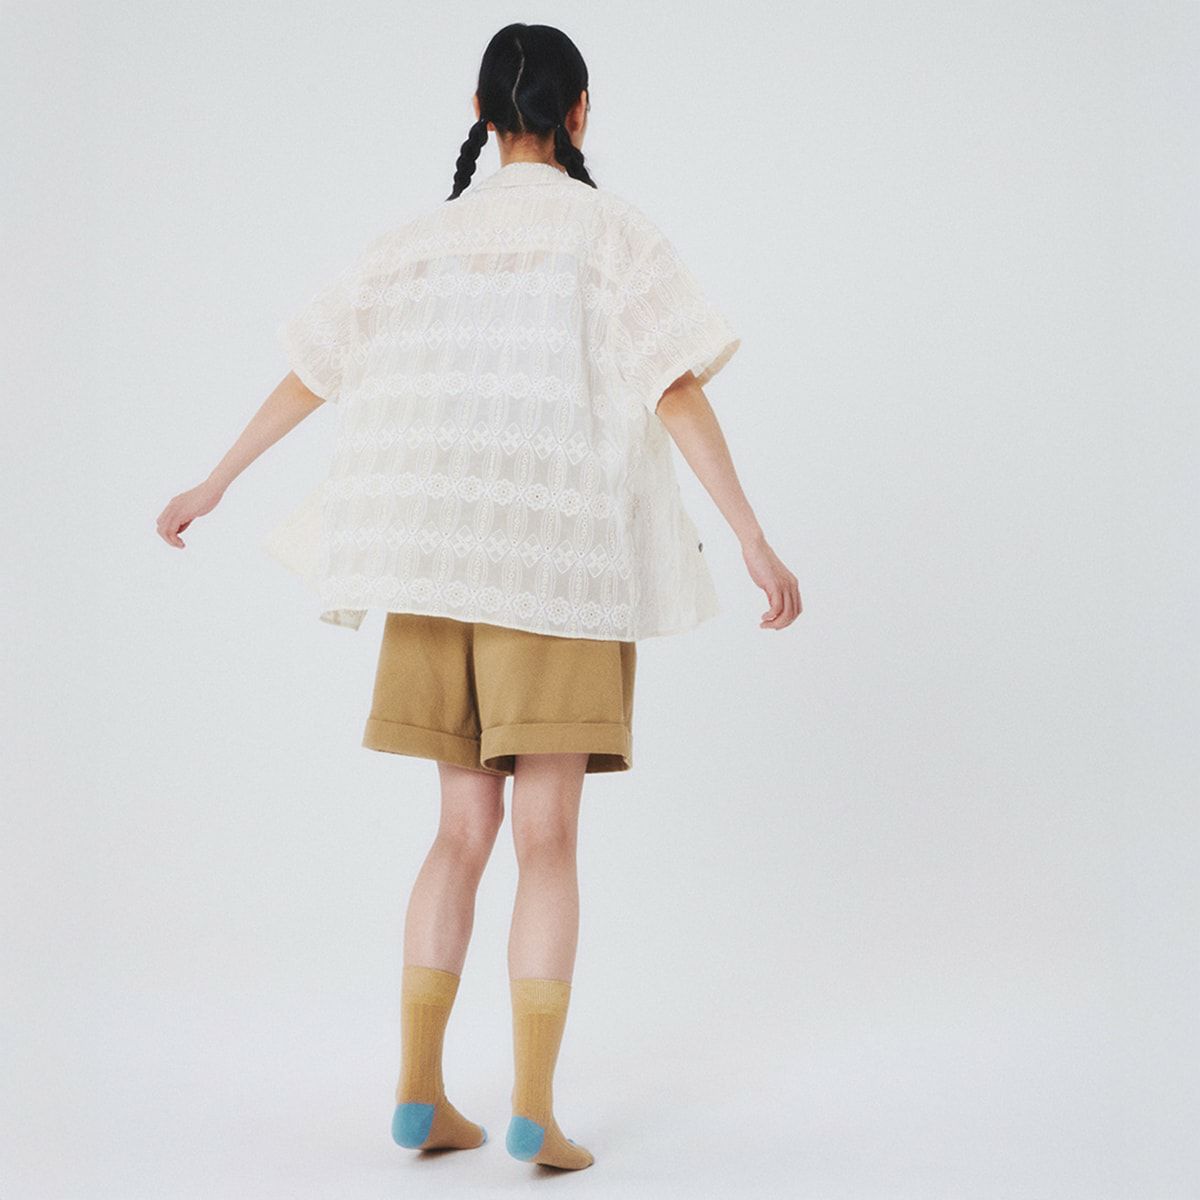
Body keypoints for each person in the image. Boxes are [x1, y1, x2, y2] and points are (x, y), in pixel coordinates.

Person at [156, 21, 801, 1173]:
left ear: (479, 111)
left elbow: (314, 368)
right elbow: (675, 389)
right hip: (555, 572)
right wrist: (750, 536)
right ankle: (534, 1112)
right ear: (581, 112)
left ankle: (419, 1092)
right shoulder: (612, 234)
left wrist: (214, 479)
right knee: (546, 837)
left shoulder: (415, 245)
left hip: (433, 566)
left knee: (459, 833)